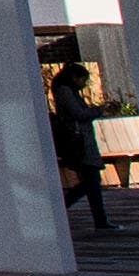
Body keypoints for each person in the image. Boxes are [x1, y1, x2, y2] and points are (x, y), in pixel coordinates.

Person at [43, 40, 113, 235]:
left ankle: (100, 219)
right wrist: (98, 111)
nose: (85, 84)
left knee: (91, 182)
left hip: (80, 141)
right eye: (83, 79)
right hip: (79, 142)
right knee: (91, 182)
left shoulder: (66, 91)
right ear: (74, 77)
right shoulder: (66, 92)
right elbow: (78, 114)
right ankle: (67, 211)